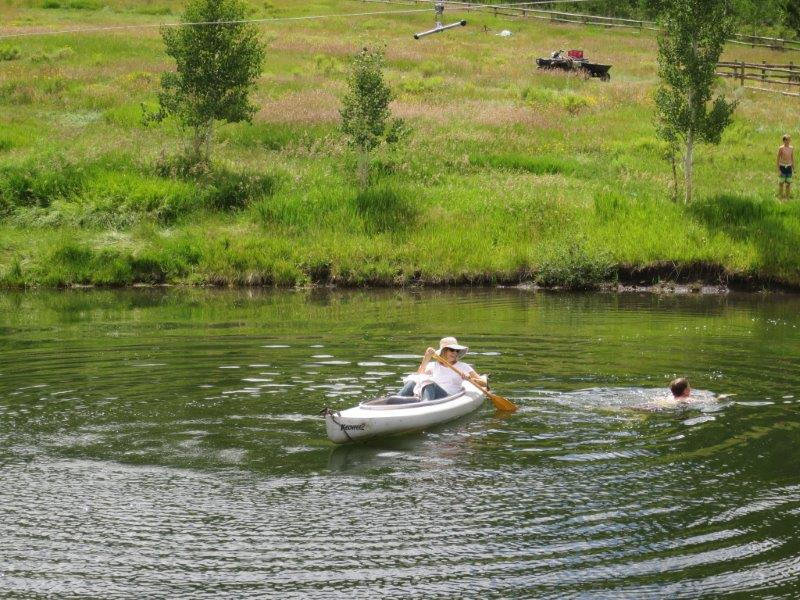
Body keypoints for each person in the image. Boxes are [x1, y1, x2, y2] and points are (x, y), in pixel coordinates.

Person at [398, 336, 484, 401]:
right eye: (452, 350)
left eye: (457, 351)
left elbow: (484, 383)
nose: (455, 353)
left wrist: (469, 377)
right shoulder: (433, 365)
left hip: (448, 397)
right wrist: (427, 357)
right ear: (444, 351)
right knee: (413, 381)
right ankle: (393, 401)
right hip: (431, 394)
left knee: (429, 383)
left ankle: (425, 405)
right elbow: (420, 374)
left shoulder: (463, 366)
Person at [778, 134, 794, 201]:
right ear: (784, 141)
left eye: (789, 139)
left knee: (788, 183)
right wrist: (778, 169)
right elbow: (778, 158)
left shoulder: (791, 148)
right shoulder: (781, 148)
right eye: (787, 140)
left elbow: (792, 157)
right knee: (781, 183)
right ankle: (781, 197)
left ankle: (787, 197)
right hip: (782, 167)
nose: (788, 141)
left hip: (789, 167)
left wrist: (793, 167)